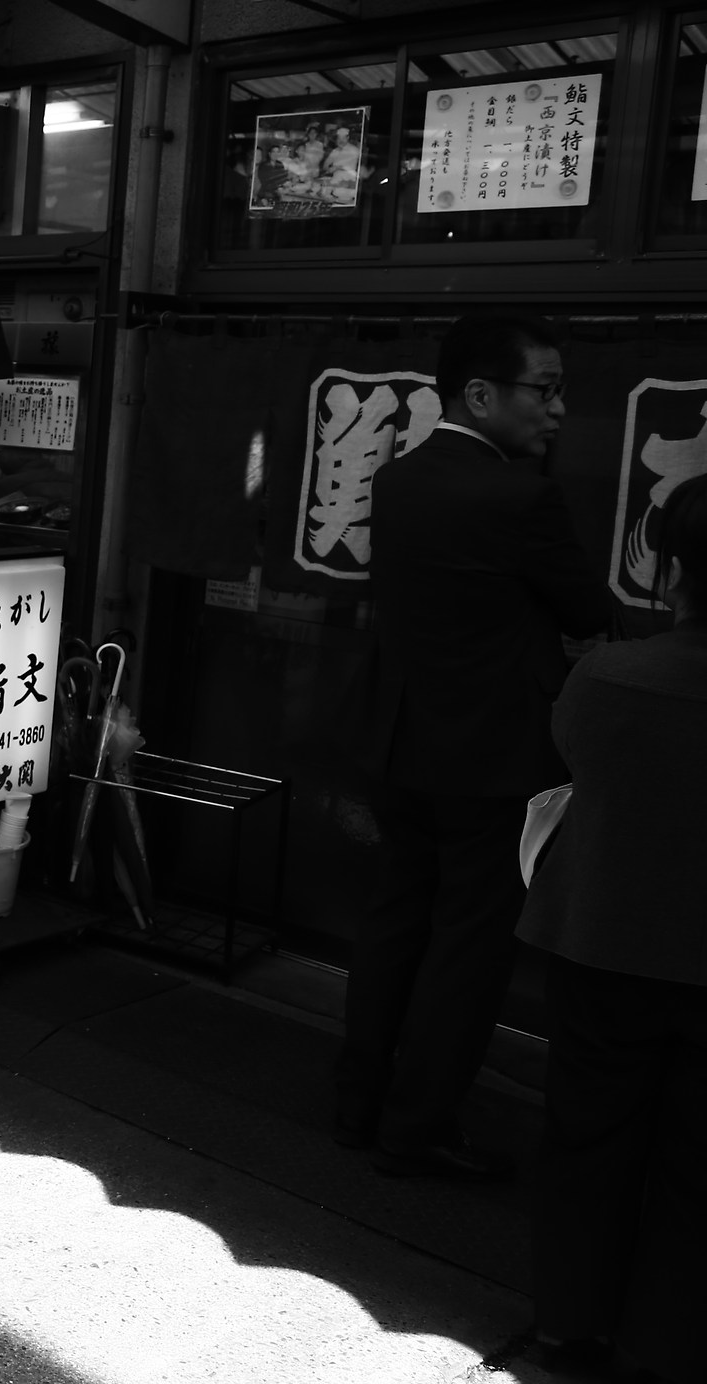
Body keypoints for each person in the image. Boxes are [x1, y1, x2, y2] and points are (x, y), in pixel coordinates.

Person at [338, 314, 612, 1179]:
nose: (558, 410)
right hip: (490, 762)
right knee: (467, 948)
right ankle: (416, 1127)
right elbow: (586, 612)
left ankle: (358, 1106)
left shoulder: (399, 480)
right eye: (547, 389)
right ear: (481, 394)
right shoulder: (523, 496)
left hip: (401, 746)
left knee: (391, 925)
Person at [519, 474, 707, 1382]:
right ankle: (666, 1342)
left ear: (673, 573)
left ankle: (568, 1320)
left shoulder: (612, 675)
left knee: (589, 1135)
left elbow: (572, 751)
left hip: (603, 938)